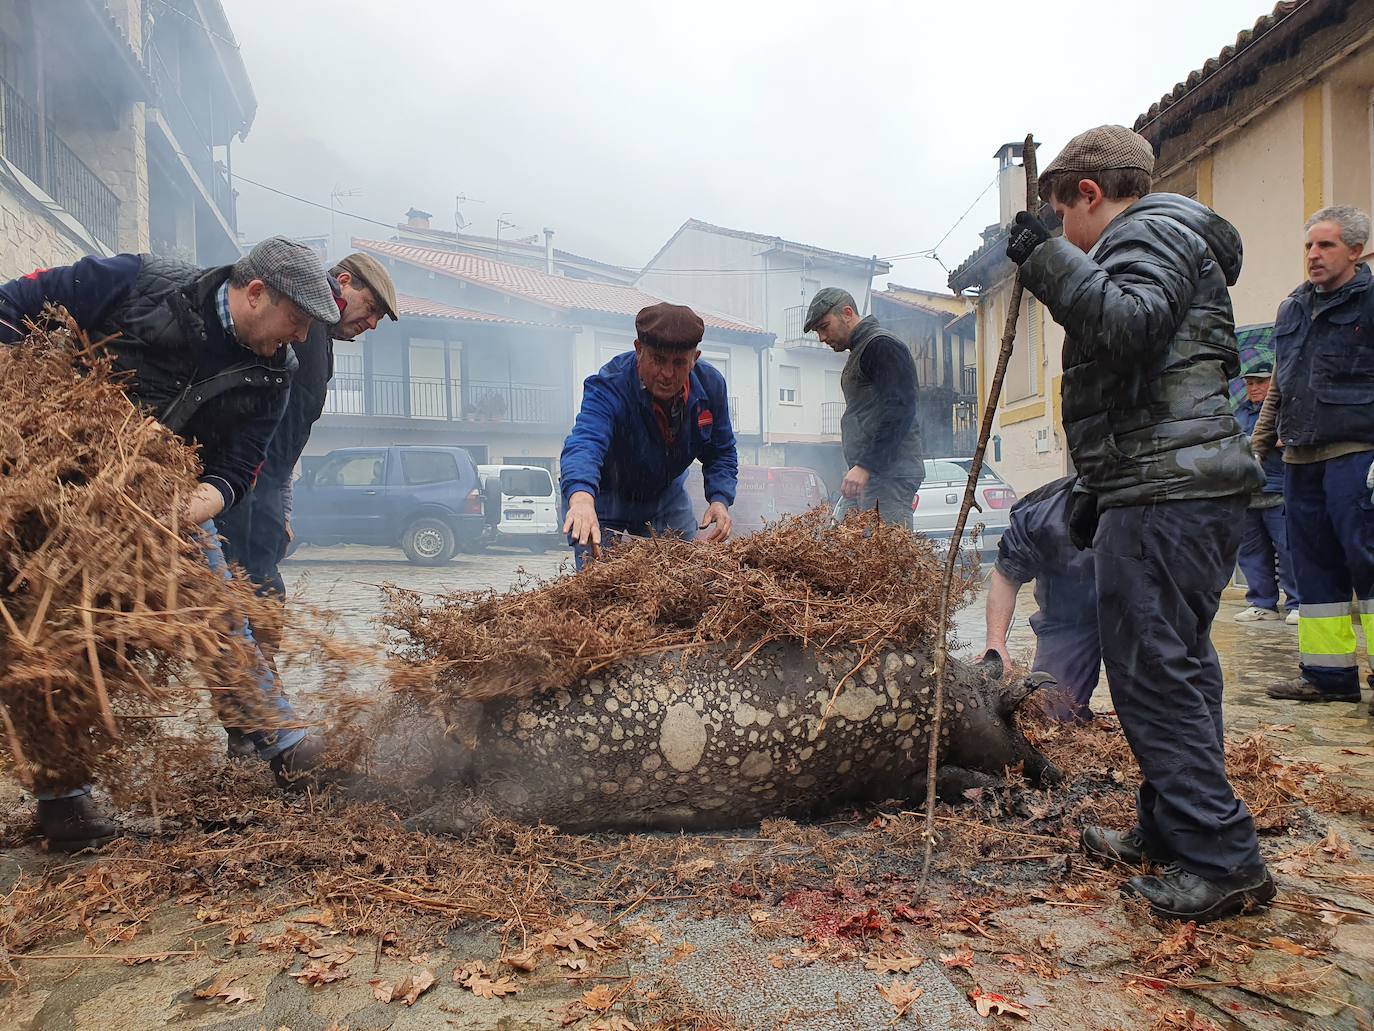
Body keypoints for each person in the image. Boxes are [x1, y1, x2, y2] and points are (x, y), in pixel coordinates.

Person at [1006, 124, 1273, 922]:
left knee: (1154, 670)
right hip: (1170, 485)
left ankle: (1223, 859)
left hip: (1169, 494)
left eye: (1062, 217)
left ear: (1089, 195)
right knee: (1175, 665)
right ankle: (1171, 824)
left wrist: (1047, 260)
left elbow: (1127, 326)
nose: (1064, 236)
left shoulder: (1146, 230)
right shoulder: (1167, 235)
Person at [0, 237, 340, 850]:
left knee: (217, 610)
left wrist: (187, 510)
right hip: (49, 481)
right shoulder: (132, 281)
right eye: (296, 322)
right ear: (256, 293)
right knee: (41, 635)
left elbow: (238, 468)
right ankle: (63, 801)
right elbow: (12, 306)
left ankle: (283, 743)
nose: (298, 339)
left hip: (162, 494)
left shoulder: (275, 372)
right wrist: (40, 407)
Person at [218, 252, 398, 598]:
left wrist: (282, 507)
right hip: (243, 485)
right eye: (371, 307)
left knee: (258, 592)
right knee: (257, 593)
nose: (372, 323)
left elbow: (288, 432)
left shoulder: (320, 340)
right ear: (343, 283)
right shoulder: (303, 327)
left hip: (263, 488)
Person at [1252, 206, 1374, 710]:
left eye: (1325, 245)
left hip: (1356, 455)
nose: (1313, 255)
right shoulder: (1292, 309)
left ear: (1356, 250)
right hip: (1299, 460)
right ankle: (1329, 679)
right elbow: (1280, 385)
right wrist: (1256, 448)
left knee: (1368, 565)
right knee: (1315, 570)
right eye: (1308, 246)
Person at [561, 302, 737, 566]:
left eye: (679, 363)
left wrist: (720, 499)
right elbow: (586, 442)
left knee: (683, 576)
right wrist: (582, 497)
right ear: (639, 350)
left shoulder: (711, 386)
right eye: (658, 360)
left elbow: (721, 451)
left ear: (695, 359)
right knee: (598, 584)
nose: (667, 374)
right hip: (604, 498)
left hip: (664, 498)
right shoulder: (609, 386)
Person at [983, 476, 1100, 723]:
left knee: (1154, 712)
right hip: (1067, 622)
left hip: (1137, 620)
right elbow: (1006, 578)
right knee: (1050, 715)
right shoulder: (1040, 511)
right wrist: (995, 642)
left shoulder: (1160, 500)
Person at [804, 288, 924, 526]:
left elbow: (899, 410)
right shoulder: (862, 350)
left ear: (847, 313)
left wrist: (866, 465)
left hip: (888, 476)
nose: (821, 338)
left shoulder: (881, 346)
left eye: (824, 327)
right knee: (839, 548)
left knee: (884, 558)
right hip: (871, 475)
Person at [1231, 359, 1299, 624]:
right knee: (1251, 552)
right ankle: (1262, 603)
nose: (1254, 388)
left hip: (1279, 490)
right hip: (1248, 493)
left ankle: (1297, 603)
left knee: (1289, 550)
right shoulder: (1239, 413)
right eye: (1249, 383)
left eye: (1260, 382)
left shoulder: (1286, 408)